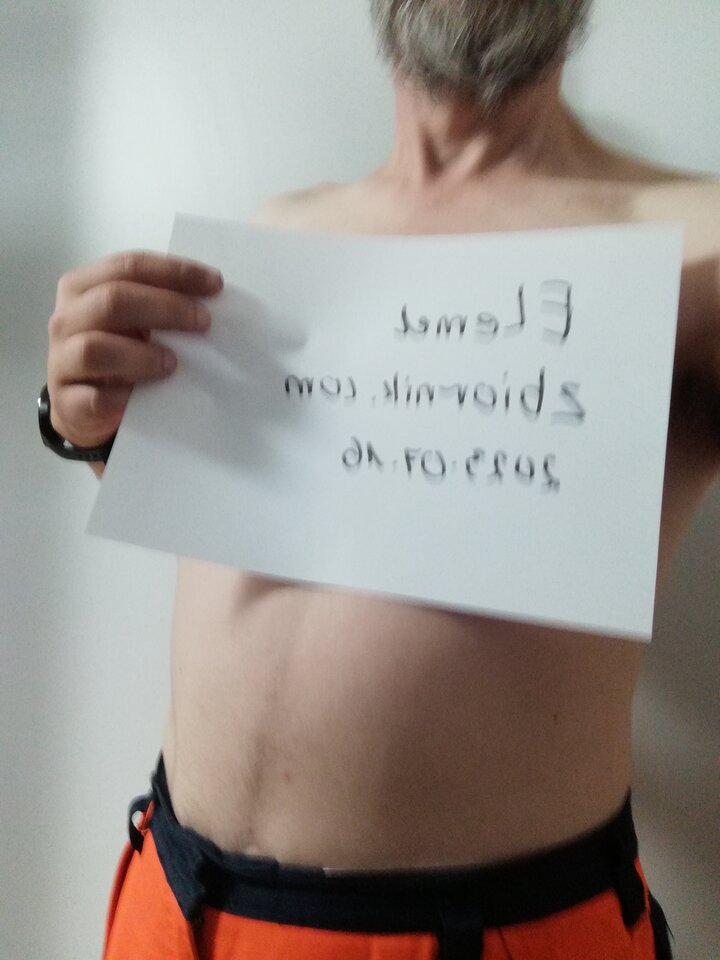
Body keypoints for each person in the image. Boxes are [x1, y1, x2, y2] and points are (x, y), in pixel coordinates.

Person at [40, 1, 718, 957]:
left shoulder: (693, 245)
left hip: (478, 934)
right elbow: (259, 533)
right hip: (170, 896)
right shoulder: (283, 230)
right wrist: (89, 425)